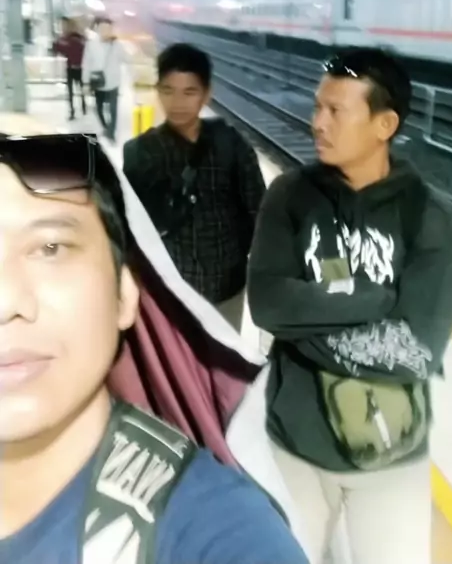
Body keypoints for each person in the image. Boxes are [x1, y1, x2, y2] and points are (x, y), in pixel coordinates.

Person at [0, 127, 308, 564]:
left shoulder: (218, 531)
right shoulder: (142, 150)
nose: (5, 300)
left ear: (126, 293)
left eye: (51, 247)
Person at [248, 47, 452, 564]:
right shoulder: (289, 196)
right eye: (317, 107)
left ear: (384, 124)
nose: (317, 122)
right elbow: (267, 305)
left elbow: (416, 351)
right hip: (294, 444)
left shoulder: (432, 217)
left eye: (336, 110)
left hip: (392, 454)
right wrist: (373, 300)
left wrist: (304, 323)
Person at [123, 43, 265, 332]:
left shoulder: (230, 144)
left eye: (189, 92)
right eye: (168, 90)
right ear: (157, 90)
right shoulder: (140, 153)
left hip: (226, 288)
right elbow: (129, 225)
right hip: (167, 291)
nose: (178, 102)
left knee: (223, 356)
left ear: (206, 94)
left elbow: (258, 209)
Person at [82, 17, 122, 141]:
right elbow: (86, 63)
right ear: (98, 29)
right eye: (102, 28)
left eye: (108, 28)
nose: (105, 31)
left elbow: (126, 58)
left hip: (113, 82)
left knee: (113, 109)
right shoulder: (91, 44)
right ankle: (105, 128)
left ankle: (111, 133)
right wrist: (85, 82)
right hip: (98, 82)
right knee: (98, 108)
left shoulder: (116, 44)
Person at [51, 16, 86, 120]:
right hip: (72, 68)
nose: (62, 28)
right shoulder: (67, 39)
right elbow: (60, 50)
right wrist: (56, 45)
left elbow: (65, 50)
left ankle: (79, 108)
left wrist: (57, 45)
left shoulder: (75, 39)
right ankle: (75, 109)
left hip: (79, 68)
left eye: (64, 25)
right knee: (74, 90)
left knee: (77, 90)